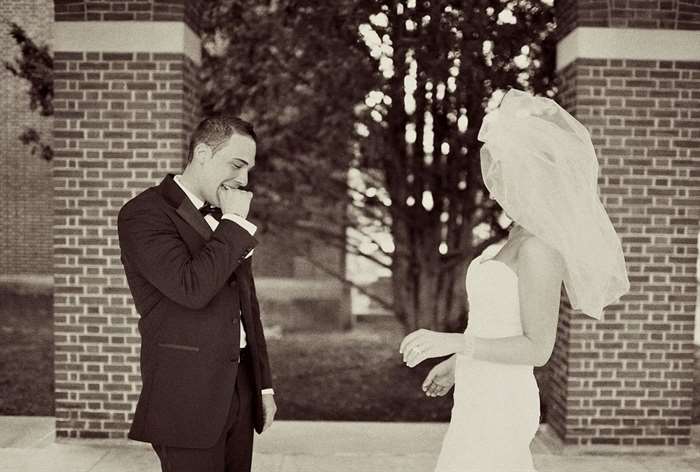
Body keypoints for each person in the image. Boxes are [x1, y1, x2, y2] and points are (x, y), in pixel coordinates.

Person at [400, 89, 630, 472]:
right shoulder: (516, 234)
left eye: (506, 166)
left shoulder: (540, 246)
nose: (497, 177)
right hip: (478, 388)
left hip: (503, 398)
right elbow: (498, 321)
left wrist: (452, 341)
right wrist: (457, 362)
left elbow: (538, 348)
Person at [117, 115, 276, 472]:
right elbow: (190, 288)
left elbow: (247, 304)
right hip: (185, 394)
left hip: (240, 389)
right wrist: (234, 225)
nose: (243, 180)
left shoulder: (225, 215)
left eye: (249, 169)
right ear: (202, 153)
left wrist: (263, 386)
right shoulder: (143, 214)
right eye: (237, 165)